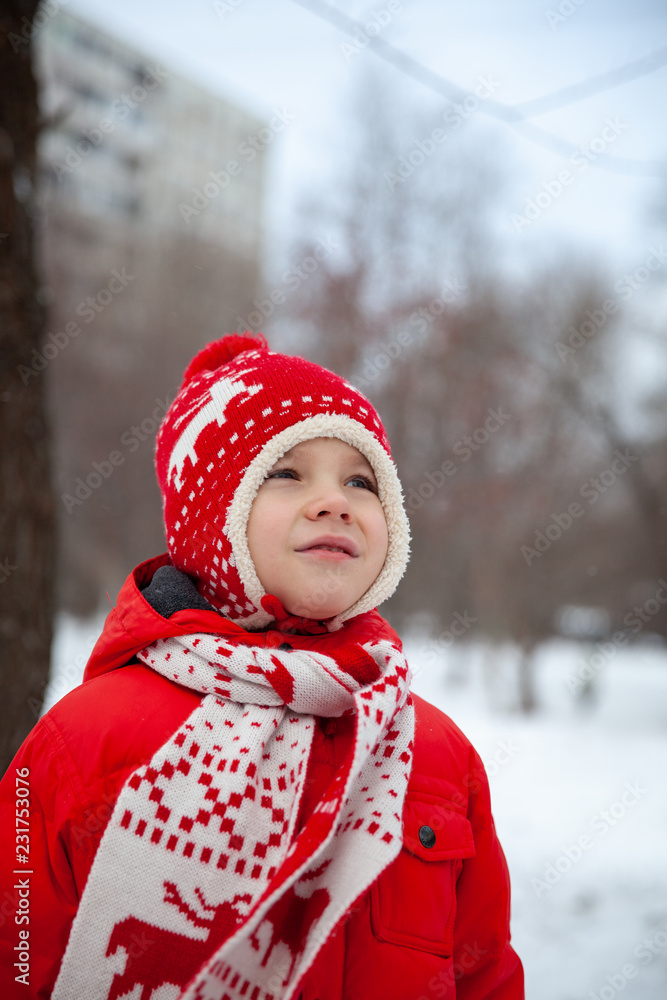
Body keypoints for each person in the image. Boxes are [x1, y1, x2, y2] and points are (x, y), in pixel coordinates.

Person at [0, 333, 524, 999]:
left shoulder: (432, 751)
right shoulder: (84, 739)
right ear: (210, 519)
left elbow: (484, 974)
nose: (335, 501)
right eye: (286, 473)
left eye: (360, 481)